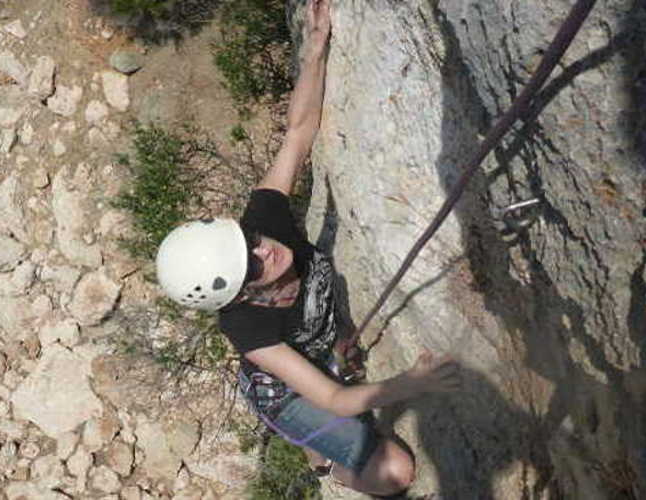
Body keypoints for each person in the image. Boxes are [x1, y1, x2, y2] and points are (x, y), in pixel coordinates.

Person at [153, 0, 461, 495]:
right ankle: (325, 467)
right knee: (394, 474)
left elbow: (298, 134)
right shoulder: (248, 327)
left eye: (248, 242)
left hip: (311, 353)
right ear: (237, 295)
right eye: (249, 267)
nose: (265, 251)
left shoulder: (265, 224)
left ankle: (322, 447)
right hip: (284, 394)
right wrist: (412, 383)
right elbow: (335, 400)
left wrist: (314, 51)